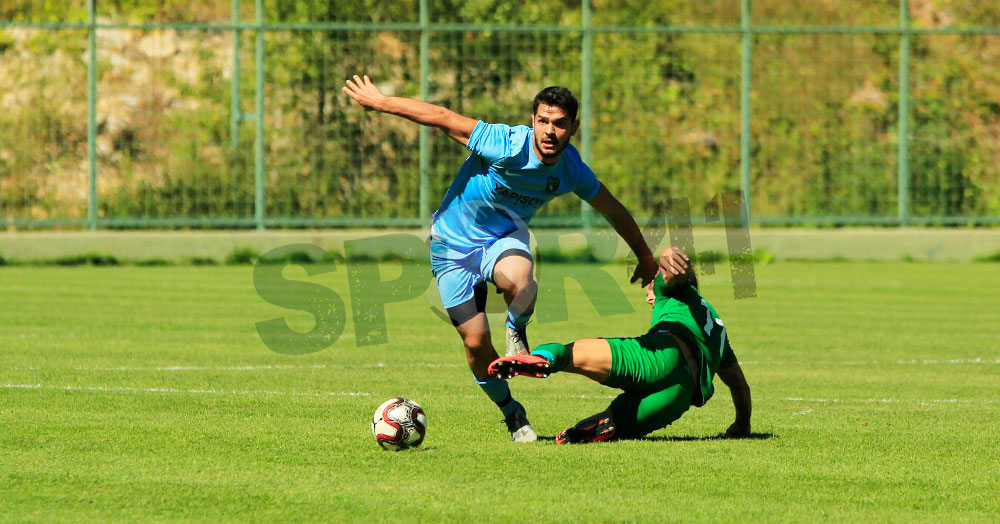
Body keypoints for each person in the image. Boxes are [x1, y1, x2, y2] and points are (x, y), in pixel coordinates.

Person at [343, 75, 658, 442]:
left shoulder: (571, 170)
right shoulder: (504, 144)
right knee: (476, 345)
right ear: (532, 120)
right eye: (543, 121)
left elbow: (614, 210)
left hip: (502, 239)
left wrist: (646, 258)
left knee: (521, 281)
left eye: (559, 123)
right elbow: (442, 116)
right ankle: (511, 411)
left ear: (574, 127)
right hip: (451, 248)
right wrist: (381, 102)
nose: (550, 131)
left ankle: (516, 332)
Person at [487, 247, 752, 443]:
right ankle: (603, 425)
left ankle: (542, 359)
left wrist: (670, 254)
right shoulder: (717, 328)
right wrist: (742, 425)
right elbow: (739, 385)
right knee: (611, 423)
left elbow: (671, 275)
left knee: (571, 355)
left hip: (662, 355)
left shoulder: (673, 291)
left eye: (648, 288)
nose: (649, 296)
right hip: (677, 398)